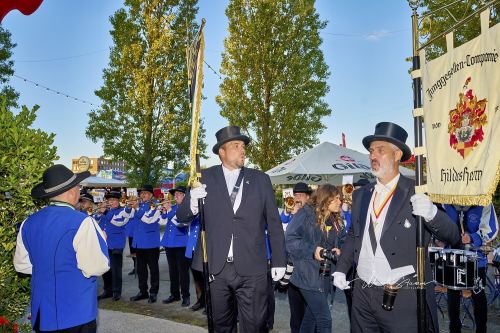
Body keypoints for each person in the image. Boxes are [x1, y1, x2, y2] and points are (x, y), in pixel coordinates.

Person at [332, 122, 460, 332]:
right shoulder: (361, 194)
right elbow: (355, 236)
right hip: (362, 294)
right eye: (372, 150)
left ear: (397, 154)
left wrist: (432, 214)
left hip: (401, 296)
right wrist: (341, 269)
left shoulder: (417, 191)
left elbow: (453, 234)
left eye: (381, 150)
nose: (373, 155)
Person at [177, 125, 286, 332]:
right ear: (222, 152)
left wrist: (279, 260)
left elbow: (274, 223)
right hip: (216, 269)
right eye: (236, 145)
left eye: (243, 145)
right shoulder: (204, 178)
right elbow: (181, 216)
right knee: (220, 326)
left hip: (253, 269)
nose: (242, 149)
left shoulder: (261, 179)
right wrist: (192, 201)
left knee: (255, 326)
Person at [13, 164, 109, 333]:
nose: (79, 191)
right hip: (75, 313)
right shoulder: (82, 222)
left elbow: (22, 265)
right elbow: (96, 266)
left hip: (42, 314)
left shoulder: (28, 222)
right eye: (78, 187)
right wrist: (103, 241)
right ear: (71, 191)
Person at [285, 184, 342, 332]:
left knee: (310, 319)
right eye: (335, 198)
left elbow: (338, 239)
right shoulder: (306, 213)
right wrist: (313, 250)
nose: (339, 201)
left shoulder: (334, 217)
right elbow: (290, 240)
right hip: (307, 275)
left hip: (325, 275)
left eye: (339, 198)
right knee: (324, 319)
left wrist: (338, 249)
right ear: (325, 199)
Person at [443, 204, 498, 333]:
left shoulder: (484, 200)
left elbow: (491, 228)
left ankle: (481, 330)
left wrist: (473, 237)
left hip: (476, 258)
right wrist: (439, 237)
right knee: (452, 294)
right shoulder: (445, 199)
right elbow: (438, 222)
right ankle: (454, 330)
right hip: (452, 256)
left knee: (478, 295)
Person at [283, 182, 313, 333]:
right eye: (295, 196)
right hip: (293, 271)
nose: (296, 199)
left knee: (309, 314)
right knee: (295, 313)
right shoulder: (289, 214)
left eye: (300, 195)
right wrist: (289, 214)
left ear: (308, 197)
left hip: (308, 272)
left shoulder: (312, 214)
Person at [128, 184, 162, 303]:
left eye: (146, 193)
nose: (143, 195)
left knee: (153, 270)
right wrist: (131, 207)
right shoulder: (139, 205)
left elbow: (148, 219)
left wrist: (137, 208)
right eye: (141, 193)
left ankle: (153, 292)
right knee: (141, 270)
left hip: (151, 243)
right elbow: (129, 216)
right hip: (139, 243)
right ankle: (143, 291)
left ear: (151, 195)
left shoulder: (155, 206)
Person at [160, 186, 191, 307]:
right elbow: (162, 221)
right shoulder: (172, 208)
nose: (176, 196)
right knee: (172, 271)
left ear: (185, 196)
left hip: (181, 244)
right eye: (175, 194)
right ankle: (174, 294)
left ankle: (186, 296)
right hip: (169, 243)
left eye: (179, 194)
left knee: (183, 272)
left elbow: (181, 223)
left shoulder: (187, 209)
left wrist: (168, 211)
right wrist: (162, 210)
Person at [98, 191, 131, 301]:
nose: (110, 202)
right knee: (105, 269)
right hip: (105, 243)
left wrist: (105, 212)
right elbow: (99, 225)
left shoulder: (123, 211)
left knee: (116, 269)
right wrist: (98, 214)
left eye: (112, 200)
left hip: (117, 244)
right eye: (109, 200)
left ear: (118, 201)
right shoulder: (105, 212)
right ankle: (107, 290)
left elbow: (119, 222)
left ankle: (117, 292)